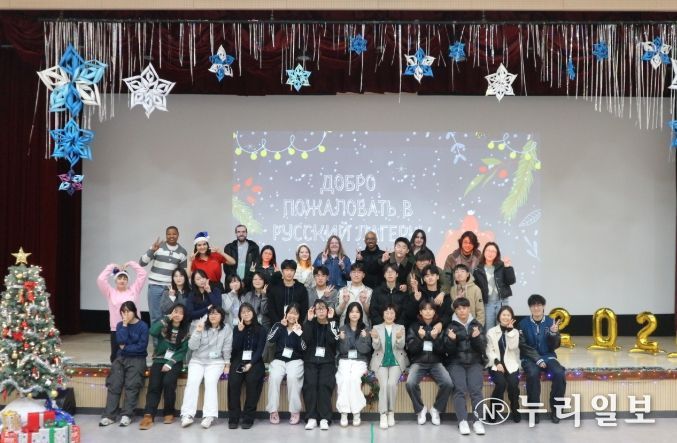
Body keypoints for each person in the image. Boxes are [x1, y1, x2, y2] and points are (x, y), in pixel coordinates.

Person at [139, 303, 190, 429]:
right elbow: (152, 331)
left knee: (168, 382)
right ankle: (148, 415)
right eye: (175, 312)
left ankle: (169, 412)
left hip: (175, 362)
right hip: (159, 359)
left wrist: (170, 363)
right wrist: (167, 318)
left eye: (181, 313)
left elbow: (182, 351)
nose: (178, 315)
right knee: (154, 384)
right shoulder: (164, 326)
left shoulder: (186, 332)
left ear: (184, 316)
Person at [180, 306, 232, 429]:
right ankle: (187, 414)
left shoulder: (227, 329)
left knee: (210, 382)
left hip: (215, 362)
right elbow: (192, 347)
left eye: (216, 314)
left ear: (222, 316)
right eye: (211, 313)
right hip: (197, 361)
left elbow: (227, 347)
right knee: (192, 383)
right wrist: (198, 331)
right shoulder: (201, 325)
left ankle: (209, 416)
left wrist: (227, 364)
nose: (213, 316)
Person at [99, 301, 149, 427]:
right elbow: (120, 341)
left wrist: (125, 348)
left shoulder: (143, 326)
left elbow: (141, 347)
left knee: (132, 386)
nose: (125, 314)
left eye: (128, 311)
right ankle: (109, 415)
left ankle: (127, 415)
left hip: (137, 359)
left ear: (134, 312)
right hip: (121, 358)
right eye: (123, 311)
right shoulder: (120, 325)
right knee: (114, 384)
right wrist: (125, 325)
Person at [518, 294, 566, 424]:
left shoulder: (551, 322)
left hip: (548, 355)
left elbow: (555, 345)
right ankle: (534, 411)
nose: (536, 308)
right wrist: (538, 359)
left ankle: (556, 410)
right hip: (530, 358)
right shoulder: (523, 324)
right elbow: (523, 346)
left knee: (559, 373)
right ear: (530, 307)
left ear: (543, 306)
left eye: (539, 305)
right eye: (533, 305)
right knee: (533, 374)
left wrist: (553, 334)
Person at [405, 300, 453, 427]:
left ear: (434, 311)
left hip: (436, 362)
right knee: (410, 383)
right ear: (420, 312)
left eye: (430, 309)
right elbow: (411, 349)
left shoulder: (439, 327)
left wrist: (434, 338)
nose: (427, 312)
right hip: (418, 362)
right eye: (425, 309)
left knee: (448, 383)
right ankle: (420, 409)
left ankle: (436, 409)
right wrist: (420, 338)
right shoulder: (414, 326)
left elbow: (443, 350)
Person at [444, 297, 487, 436]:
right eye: (459, 308)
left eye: (464, 308)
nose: (462, 311)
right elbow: (447, 351)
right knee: (459, 389)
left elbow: (482, 348)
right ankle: (462, 420)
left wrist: (476, 338)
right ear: (455, 311)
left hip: (475, 362)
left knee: (476, 390)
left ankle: (478, 421)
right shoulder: (450, 326)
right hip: (456, 362)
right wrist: (451, 340)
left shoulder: (477, 325)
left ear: (469, 309)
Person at [139, 226, 188, 332]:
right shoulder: (158, 247)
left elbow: (183, 273)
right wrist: (151, 250)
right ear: (166, 235)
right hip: (154, 286)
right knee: (155, 316)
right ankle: (157, 342)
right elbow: (142, 263)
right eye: (169, 234)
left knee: (169, 315)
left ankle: (168, 340)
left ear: (178, 235)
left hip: (170, 288)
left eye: (174, 234)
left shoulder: (182, 252)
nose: (171, 236)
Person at [97, 261, 147, 363]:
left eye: (125, 278)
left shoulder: (134, 290)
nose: (122, 280)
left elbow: (143, 274)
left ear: (128, 281)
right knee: (116, 356)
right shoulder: (110, 292)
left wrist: (131, 263)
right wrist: (112, 266)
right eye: (120, 278)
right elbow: (101, 279)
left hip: (135, 327)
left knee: (134, 354)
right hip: (117, 328)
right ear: (115, 280)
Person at [228, 303, 268, 429]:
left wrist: (251, 364)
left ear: (253, 313)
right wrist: (240, 332)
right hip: (239, 359)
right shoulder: (237, 328)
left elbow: (260, 349)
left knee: (252, 381)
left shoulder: (261, 329)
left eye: (248, 311)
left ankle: (248, 417)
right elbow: (235, 347)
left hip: (255, 360)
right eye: (243, 312)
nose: (246, 314)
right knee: (234, 382)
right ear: (240, 315)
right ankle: (234, 417)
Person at [266, 304, 306, 425]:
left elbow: (304, 348)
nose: (292, 315)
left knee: (292, 378)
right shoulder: (278, 325)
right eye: (290, 313)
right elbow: (270, 339)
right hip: (279, 360)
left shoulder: (302, 328)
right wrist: (280, 326)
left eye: (295, 313)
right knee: (274, 377)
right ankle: (273, 411)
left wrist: (298, 333)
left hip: (295, 360)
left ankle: (295, 411)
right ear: (286, 314)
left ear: (299, 316)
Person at [302, 300, 339, 431]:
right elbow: (305, 340)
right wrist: (309, 320)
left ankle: (325, 418)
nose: (321, 311)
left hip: (327, 361)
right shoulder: (309, 323)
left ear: (328, 310)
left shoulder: (333, 323)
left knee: (324, 385)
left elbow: (333, 341)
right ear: (314, 311)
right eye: (318, 308)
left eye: (323, 308)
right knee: (310, 384)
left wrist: (331, 320)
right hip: (311, 360)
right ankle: (311, 417)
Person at [370, 304, 408, 429]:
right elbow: (375, 347)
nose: (389, 315)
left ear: (395, 315)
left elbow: (401, 346)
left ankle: (391, 412)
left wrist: (398, 338)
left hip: (396, 361)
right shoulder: (376, 327)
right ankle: (383, 414)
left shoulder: (400, 327)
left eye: (392, 313)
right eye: (387, 313)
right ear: (383, 315)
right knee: (384, 385)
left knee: (391, 384)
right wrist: (376, 338)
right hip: (381, 361)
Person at [336, 302, 372, 427]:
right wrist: (343, 339)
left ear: (361, 314)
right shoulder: (342, 328)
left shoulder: (366, 329)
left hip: (360, 360)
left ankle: (356, 412)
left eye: (357, 311)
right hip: (345, 360)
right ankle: (344, 412)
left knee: (355, 379)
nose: (354, 314)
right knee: (344, 379)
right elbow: (343, 350)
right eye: (352, 311)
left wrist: (363, 338)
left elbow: (365, 350)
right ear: (348, 314)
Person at [485, 306, 522, 424]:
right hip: (495, 364)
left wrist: (510, 332)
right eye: (503, 315)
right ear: (499, 316)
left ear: (512, 318)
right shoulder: (491, 331)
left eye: (508, 315)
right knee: (501, 384)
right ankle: (493, 412)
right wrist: (497, 363)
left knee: (513, 384)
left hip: (511, 364)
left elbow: (513, 347)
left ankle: (515, 409)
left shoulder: (515, 332)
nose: (506, 317)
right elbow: (489, 350)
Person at [472, 242, 515, 330]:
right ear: (484, 252)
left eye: (493, 251)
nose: (490, 253)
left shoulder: (502, 266)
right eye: (488, 250)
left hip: (502, 301)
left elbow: (511, 281)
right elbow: (476, 288)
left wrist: (507, 267)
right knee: (489, 329)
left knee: (502, 328)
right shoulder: (478, 269)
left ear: (497, 254)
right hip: (487, 303)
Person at [266, 260, 309, 326]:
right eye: (286, 270)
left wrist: (297, 323)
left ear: (295, 272)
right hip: (278, 325)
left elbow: (304, 309)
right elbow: (271, 308)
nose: (289, 273)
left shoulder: (301, 288)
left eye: (292, 270)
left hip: (296, 326)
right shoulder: (275, 288)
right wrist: (279, 323)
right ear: (282, 271)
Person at [369, 263, 411, 328]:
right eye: (387, 272)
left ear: (397, 274)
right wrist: (382, 325)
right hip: (380, 327)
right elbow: (373, 310)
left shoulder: (402, 291)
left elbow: (405, 311)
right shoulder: (377, 291)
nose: (390, 274)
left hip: (398, 328)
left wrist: (397, 326)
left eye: (392, 272)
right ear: (384, 275)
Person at [335, 262, 372, 327]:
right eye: (354, 272)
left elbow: (371, 313)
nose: (356, 275)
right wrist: (344, 302)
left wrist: (364, 303)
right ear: (350, 274)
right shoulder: (342, 291)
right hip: (344, 328)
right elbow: (337, 313)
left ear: (363, 275)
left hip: (364, 328)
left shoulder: (369, 291)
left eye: (359, 272)